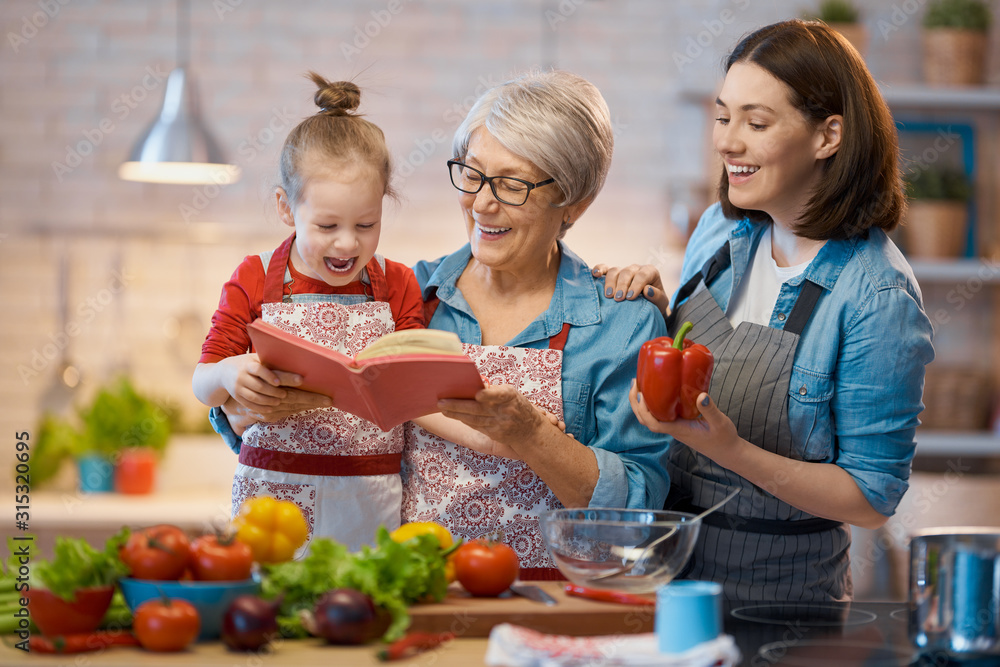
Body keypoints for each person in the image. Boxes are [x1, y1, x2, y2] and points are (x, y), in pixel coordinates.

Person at [212, 70, 672, 578]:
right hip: (417, 593)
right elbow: (301, 417)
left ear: (575, 204)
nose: (482, 203)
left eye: (512, 184)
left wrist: (530, 435)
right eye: (472, 175)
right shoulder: (408, 295)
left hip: (556, 603)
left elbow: (637, 513)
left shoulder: (621, 322)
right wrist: (240, 409)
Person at [598, 20, 935, 601]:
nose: (727, 141)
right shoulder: (721, 230)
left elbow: (871, 497)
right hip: (660, 574)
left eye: (756, 123)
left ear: (829, 136)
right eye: (724, 116)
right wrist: (655, 311)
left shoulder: (876, 295)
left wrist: (729, 449)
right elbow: (699, 364)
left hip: (779, 603)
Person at [193, 73, 498, 552]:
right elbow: (202, 381)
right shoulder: (254, 277)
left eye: (366, 224)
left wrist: (486, 439)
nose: (347, 243)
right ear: (285, 207)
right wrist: (231, 374)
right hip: (271, 504)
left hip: (369, 499)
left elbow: (414, 394)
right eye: (327, 224)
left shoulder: (396, 283)